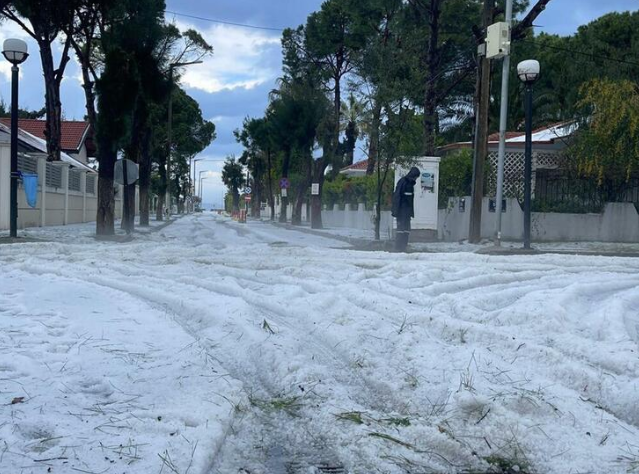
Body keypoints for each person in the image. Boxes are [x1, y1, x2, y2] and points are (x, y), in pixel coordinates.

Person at [391, 167, 420, 252]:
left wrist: (411, 212)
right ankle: (398, 247)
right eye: (415, 177)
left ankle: (404, 246)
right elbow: (397, 197)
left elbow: (410, 200)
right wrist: (396, 211)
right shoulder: (403, 182)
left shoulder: (410, 184)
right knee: (401, 229)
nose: (416, 179)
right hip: (401, 211)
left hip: (407, 211)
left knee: (406, 229)